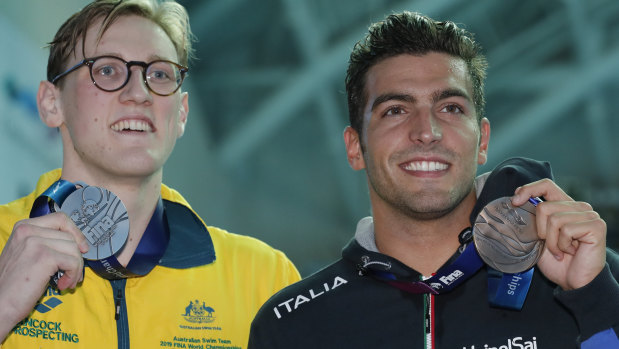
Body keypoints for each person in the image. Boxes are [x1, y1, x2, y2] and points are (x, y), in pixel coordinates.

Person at [248, 11, 619, 348]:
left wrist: (592, 297)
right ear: (355, 148)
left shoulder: (592, 276)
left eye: (451, 108)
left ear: (482, 140)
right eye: (395, 110)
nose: (427, 132)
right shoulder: (291, 325)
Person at [0, 1, 300, 347]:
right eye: (108, 70)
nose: (139, 93)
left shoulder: (262, 278)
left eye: (159, 74)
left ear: (182, 113)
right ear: (52, 103)